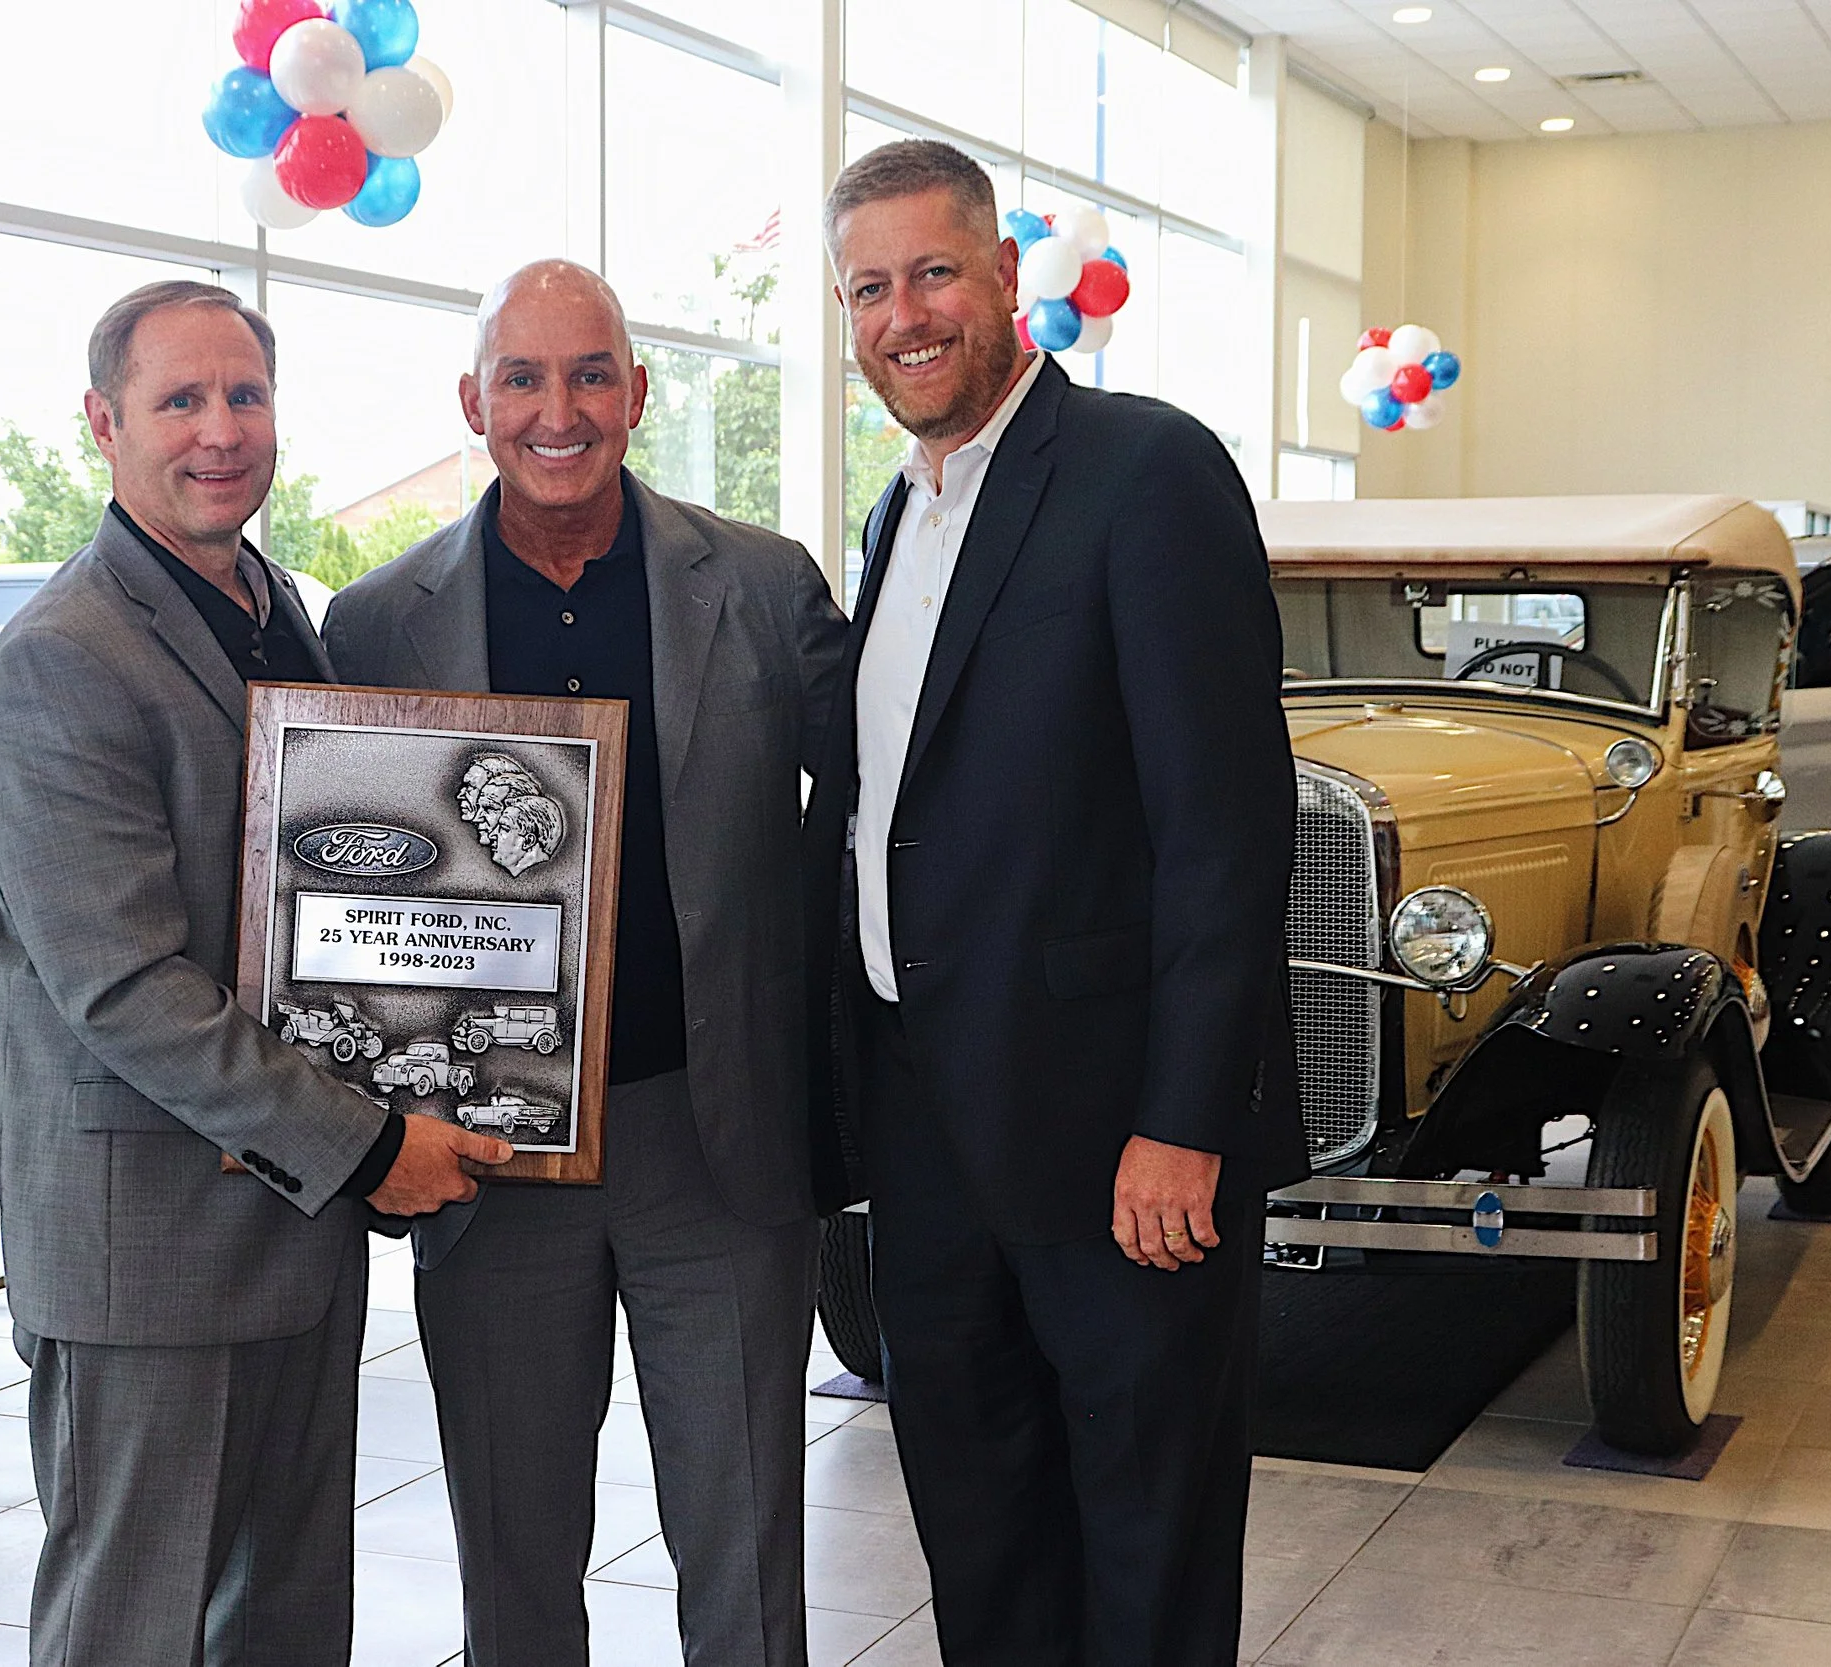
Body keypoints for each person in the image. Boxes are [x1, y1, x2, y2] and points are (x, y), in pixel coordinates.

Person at [802, 142, 1312, 1666]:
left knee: (1144, 1539)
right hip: (932, 1134)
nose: (906, 314)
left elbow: (1226, 828)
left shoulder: (1144, 472)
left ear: (1008, 278)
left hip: (1118, 1148)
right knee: (980, 1520)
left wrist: (1186, 1118)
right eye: (869, 287)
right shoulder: (901, 515)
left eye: (934, 271)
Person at [0, 279, 506, 1667]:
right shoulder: (62, 663)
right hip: (147, 1241)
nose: (220, 432)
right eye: (180, 401)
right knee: (131, 1626)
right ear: (103, 423)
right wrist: (373, 1136)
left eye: (245, 396)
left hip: (289, 1225)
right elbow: (125, 987)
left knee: (284, 1617)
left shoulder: (276, 613)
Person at [322, 258, 848, 1667]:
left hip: (717, 1140)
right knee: (514, 1548)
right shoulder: (377, 622)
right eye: (524, 378)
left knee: (744, 1545)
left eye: (591, 374)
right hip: (489, 1161)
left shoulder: (759, 585)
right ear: (474, 400)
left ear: (639, 391)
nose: (560, 410)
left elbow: (875, 817)